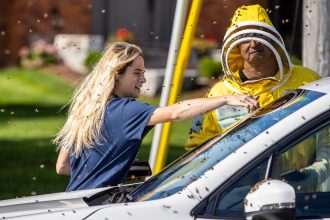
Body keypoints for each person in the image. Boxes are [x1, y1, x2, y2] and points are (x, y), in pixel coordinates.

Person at [54, 42, 259, 191]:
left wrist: (116, 168)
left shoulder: (87, 110)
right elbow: (176, 112)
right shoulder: (125, 110)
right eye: (137, 73)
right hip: (99, 205)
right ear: (116, 74)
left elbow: (62, 166)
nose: (143, 80)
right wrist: (225, 99)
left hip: (75, 202)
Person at [185, 4, 320, 151]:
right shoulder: (217, 94)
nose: (254, 44)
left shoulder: (308, 79)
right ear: (235, 45)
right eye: (245, 38)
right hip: (241, 173)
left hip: (300, 173)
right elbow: (196, 148)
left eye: (260, 35)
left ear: (273, 40)